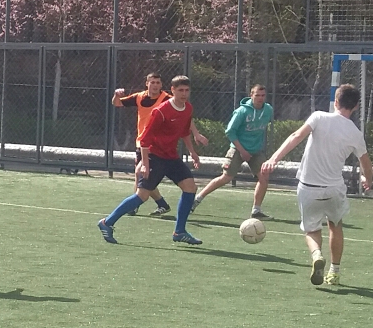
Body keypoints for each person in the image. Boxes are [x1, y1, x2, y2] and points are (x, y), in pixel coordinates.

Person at [259, 84, 373, 287]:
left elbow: (296, 136)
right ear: (356, 106)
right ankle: (335, 271)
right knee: (335, 226)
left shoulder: (319, 117)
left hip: (308, 188)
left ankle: (316, 255)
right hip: (334, 190)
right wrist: (368, 179)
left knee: (312, 230)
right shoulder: (355, 134)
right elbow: (366, 163)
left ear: (336, 101)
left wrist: (273, 159)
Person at [97, 74, 207, 246]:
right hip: (154, 157)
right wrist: (145, 165)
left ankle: (179, 231)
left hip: (171, 157)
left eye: (187, 90)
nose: (184, 94)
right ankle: (107, 222)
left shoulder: (187, 108)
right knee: (142, 196)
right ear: (172, 90)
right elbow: (144, 140)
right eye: (180, 90)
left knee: (190, 187)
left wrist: (193, 152)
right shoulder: (161, 111)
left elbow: (185, 132)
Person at [197, 82, 273, 209]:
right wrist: (242, 151)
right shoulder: (241, 111)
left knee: (264, 177)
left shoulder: (268, 110)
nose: (260, 98)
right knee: (226, 177)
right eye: (257, 95)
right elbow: (230, 132)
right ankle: (198, 198)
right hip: (238, 149)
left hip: (255, 151)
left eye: (263, 95)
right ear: (251, 95)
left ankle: (256, 209)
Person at [113, 73, 177, 216]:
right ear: (147, 84)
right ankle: (162, 204)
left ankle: (134, 205)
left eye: (158, 82)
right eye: (152, 82)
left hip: (157, 145)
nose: (155, 85)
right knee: (144, 176)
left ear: (161, 85)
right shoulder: (139, 97)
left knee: (140, 173)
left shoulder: (167, 99)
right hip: (142, 143)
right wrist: (116, 95)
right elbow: (117, 103)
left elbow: (181, 115)